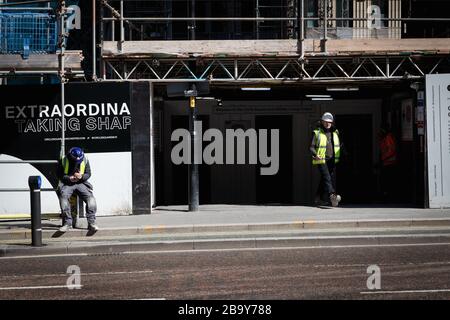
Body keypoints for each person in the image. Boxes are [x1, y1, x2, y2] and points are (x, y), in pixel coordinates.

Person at [57, 147, 99, 232]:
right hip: (68, 184)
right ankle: (67, 223)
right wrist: (69, 178)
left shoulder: (85, 159)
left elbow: (88, 173)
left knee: (91, 199)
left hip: (81, 183)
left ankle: (91, 223)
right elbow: (59, 174)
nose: (77, 162)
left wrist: (82, 176)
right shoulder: (64, 160)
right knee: (63, 198)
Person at [310, 112, 342, 207]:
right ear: (322, 122)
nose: (328, 124)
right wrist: (315, 155)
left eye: (330, 122)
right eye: (326, 122)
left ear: (332, 123)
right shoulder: (317, 132)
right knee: (327, 177)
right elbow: (311, 147)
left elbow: (338, 145)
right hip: (321, 159)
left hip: (332, 160)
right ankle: (332, 195)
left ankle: (318, 198)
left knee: (325, 179)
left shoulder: (335, 132)